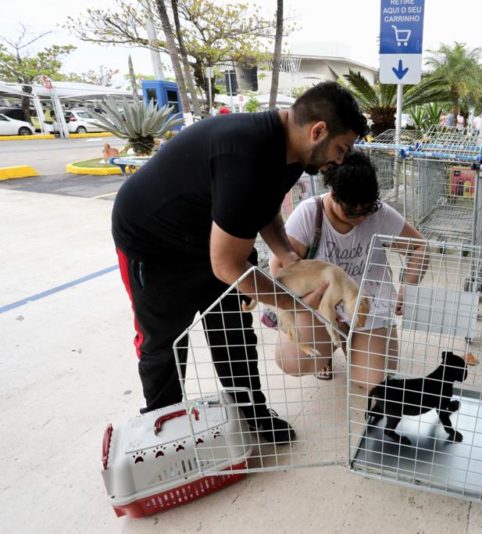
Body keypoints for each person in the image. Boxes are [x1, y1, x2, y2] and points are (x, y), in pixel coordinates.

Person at [112, 82, 368, 444]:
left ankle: (252, 411)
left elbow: (263, 210)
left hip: (216, 236)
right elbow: (227, 266)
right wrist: (290, 302)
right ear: (318, 131)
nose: (341, 160)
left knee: (233, 330)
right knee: (164, 341)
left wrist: (288, 257)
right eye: (341, 148)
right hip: (153, 243)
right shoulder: (245, 154)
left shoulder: (294, 155)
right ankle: (163, 424)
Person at [268, 150, 427, 392]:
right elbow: (279, 269)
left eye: (367, 210)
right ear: (333, 195)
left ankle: (352, 343)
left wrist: (408, 287)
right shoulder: (310, 214)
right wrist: (306, 303)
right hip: (320, 307)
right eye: (352, 212)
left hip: (367, 304)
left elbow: (419, 247)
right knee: (293, 361)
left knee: (374, 383)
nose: (360, 218)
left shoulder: (380, 214)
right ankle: (327, 351)